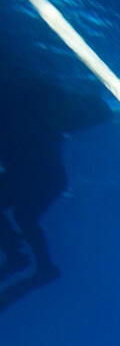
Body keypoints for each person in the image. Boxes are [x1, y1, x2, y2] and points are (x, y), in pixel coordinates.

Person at [0, 69, 111, 315]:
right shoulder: (23, 112)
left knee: (23, 216)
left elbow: (96, 111)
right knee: (23, 216)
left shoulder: (31, 110)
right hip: (28, 175)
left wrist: (92, 91)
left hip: (44, 177)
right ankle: (19, 257)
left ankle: (38, 266)